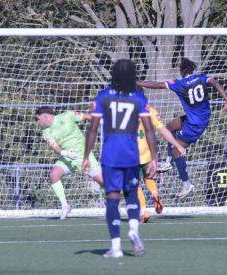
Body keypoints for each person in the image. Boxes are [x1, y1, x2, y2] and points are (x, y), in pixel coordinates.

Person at [83, 59, 157, 258]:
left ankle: (116, 247)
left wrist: (85, 156)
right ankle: (133, 229)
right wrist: (154, 158)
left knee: (112, 198)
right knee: (131, 194)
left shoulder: (103, 96)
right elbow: (149, 130)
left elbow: (92, 129)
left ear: (113, 74)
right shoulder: (138, 98)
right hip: (131, 155)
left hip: (110, 155)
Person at [137, 58, 227, 198]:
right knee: (167, 129)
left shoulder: (179, 84)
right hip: (197, 118)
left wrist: (136, 82)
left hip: (195, 125)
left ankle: (186, 183)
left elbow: (156, 85)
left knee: (177, 152)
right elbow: (214, 82)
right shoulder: (202, 77)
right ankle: (168, 162)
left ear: (182, 71)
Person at [35, 106, 103, 220]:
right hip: (68, 157)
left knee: (105, 183)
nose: (37, 123)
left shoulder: (67, 115)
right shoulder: (46, 132)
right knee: (54, 174)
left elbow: (87, 116)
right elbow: (54, 146)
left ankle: (124, 197)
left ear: (45, 117)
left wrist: (102, 121)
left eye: (38, 119)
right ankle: (65, 206)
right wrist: (64, 153)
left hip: (84, 155)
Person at [137, 104, 186, 223]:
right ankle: (155, 194)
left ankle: (143, 211)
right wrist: (178, 145)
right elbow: (163, 130)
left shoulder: (123, 108)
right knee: (148, 178)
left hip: (131, 154)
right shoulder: (150, 110)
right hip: (149, 153)